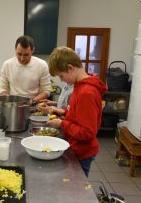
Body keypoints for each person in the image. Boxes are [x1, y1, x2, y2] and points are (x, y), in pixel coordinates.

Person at [46, 46, 107, 176]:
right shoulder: (80, 86)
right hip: (75, 146)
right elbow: (79, 115)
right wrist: (64, 113)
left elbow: (86, 132)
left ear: (70, 68)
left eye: (61, 76)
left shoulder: (86, 93)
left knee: (76, 192)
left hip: (82, 151)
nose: (62, 80)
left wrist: (62, 124)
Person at [0, 35, 50, 104]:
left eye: (26, 55)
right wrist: (10, 101)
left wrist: (32, 101)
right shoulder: (7, 65)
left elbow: (46, 90)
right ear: (15, 49)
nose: (22, 58)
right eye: (19, 54)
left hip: (34, 105)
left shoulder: (42, 65)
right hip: (13, 105)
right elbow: (3, 88)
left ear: (32, 50)